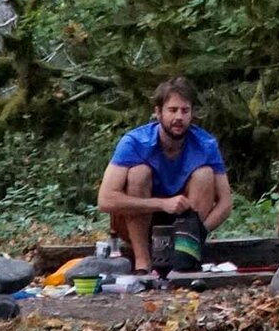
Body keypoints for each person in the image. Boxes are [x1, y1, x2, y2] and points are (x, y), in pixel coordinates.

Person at [97, 77, 232, 273]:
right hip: (138, 223)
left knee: (204, 174)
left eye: (185, 111)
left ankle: (185, 253)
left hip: (184, 222)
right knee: (138, 173)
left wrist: (198, 232)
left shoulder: (205, 144)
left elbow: (225, 203)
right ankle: (143, 262)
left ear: (192, 114)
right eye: (172, 110)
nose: (179, 117)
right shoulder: (134, 142)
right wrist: (161, 203)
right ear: (158, 112)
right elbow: (105, 200)